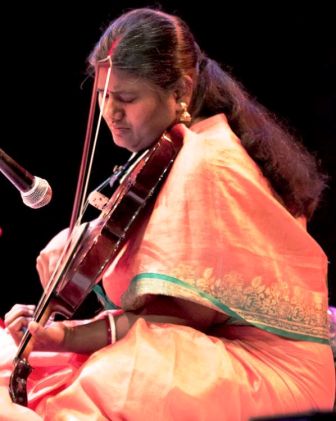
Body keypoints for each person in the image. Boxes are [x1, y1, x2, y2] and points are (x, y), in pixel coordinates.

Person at [0, 7, 335, 420]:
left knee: (123, 378)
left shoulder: (207, 162)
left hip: (267, 366)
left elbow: (178, 322)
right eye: (102, 95)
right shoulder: (174, 151)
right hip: (197, 340)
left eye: (126, 98)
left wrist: (63, 335)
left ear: (181, 90)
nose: (110, 113)